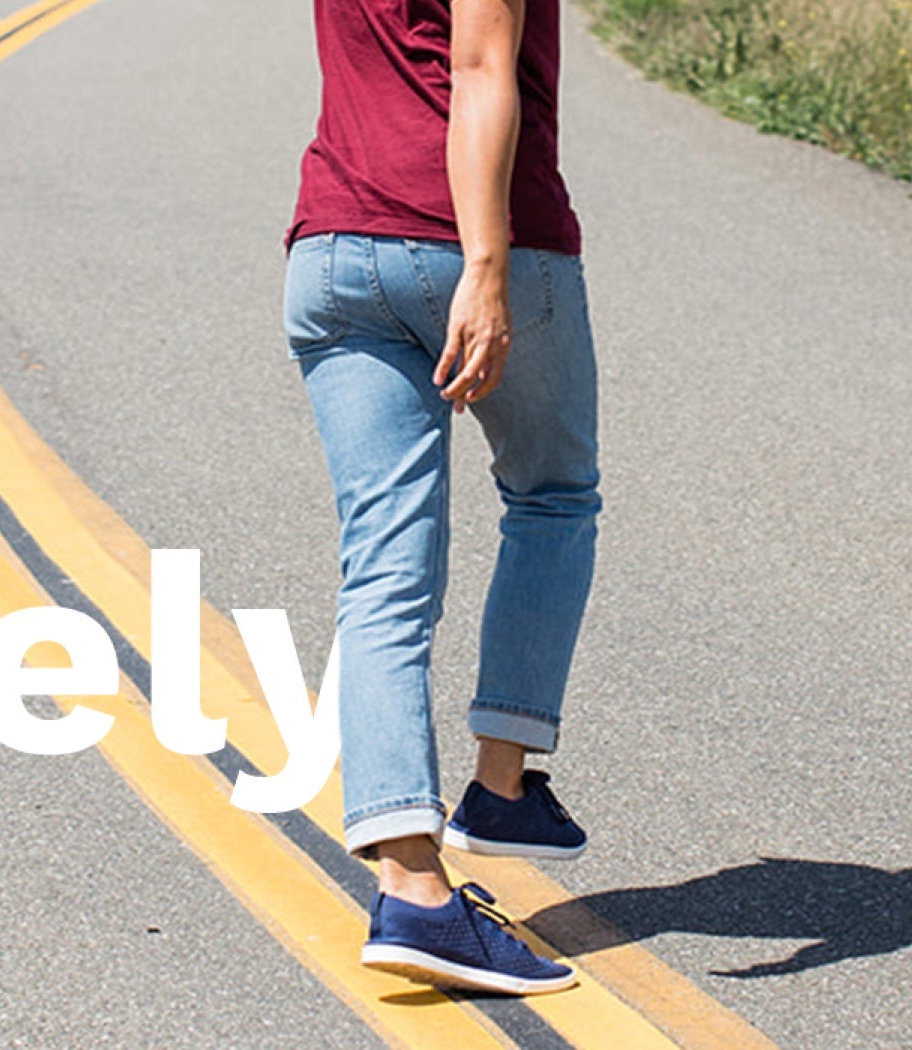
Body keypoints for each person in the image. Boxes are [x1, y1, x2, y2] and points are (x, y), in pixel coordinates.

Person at [283, 0, 602, 997]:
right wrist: (489, 266)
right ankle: (501, 788)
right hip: (465, 244)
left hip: (332, 250)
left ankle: (411, 884)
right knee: (553, 496)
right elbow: (478, 63)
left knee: (383, 574)